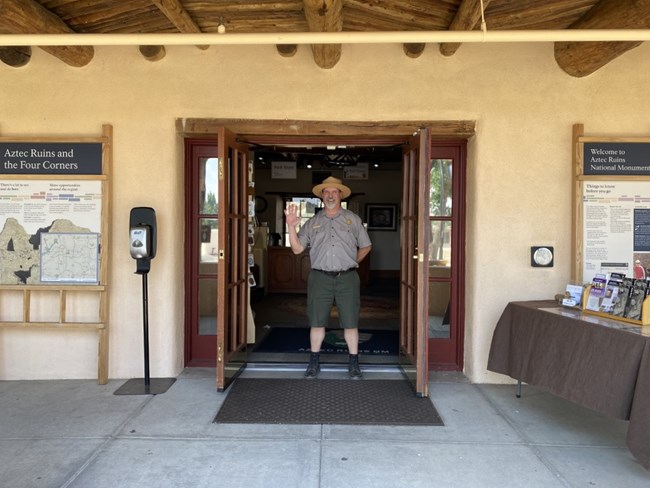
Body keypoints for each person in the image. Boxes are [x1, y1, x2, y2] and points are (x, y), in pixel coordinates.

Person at [284, 176, 372, 378]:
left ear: (341, 195)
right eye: (326, 192)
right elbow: (297, 249)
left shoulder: (353, 220)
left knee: (351, 322)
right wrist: (291, 226)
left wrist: (353, 261)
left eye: (334, 192)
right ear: (322, 196)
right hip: (320, 278)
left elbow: (366, 245)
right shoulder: (313, 222)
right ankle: (313, 363)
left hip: (347, 278)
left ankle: (353, 364)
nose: (330, 195)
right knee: (316, 322)